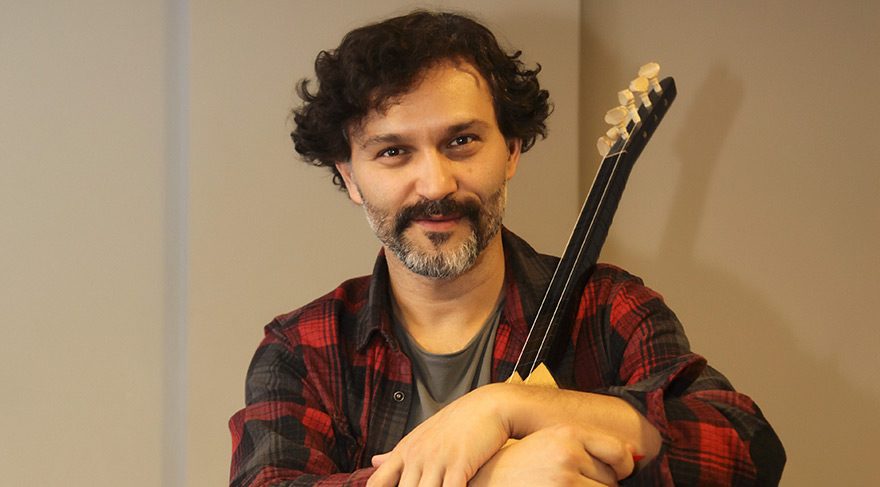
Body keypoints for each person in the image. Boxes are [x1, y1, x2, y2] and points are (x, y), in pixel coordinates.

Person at [229, 10, 785, 487]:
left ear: (512, 150)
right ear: (350, 176)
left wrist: (509, 407)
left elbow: (747, 451)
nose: (436, 184)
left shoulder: (607, 307)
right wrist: (495, 477)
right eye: (394, 152)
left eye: (462, 141)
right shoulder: (304, 349)